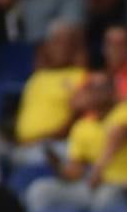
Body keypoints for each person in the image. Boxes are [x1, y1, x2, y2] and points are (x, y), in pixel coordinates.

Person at [25, 71, 127, 212]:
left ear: (112, 90)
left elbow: (117, 136)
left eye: (102, 87)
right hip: (92, 187)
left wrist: (97, 171)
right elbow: (75, 172)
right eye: (91, 87)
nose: (96, 92)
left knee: (106, 196)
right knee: (41, 190)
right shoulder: (81, 126)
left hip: (123, 186)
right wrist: (57, 163)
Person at [14, 21, 88, 149]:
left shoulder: (80, 76)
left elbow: (78, 117)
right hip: (21, 145)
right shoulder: (37, 77)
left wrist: (43, 140)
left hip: (53, 146)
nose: (60, 48)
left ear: (73, 47)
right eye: (55, 42)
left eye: (65, 43)